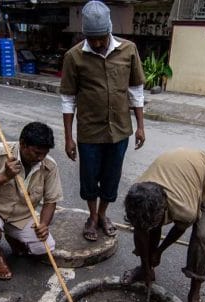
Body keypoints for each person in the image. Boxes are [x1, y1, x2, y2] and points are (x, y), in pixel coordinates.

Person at [60, 0, 146, 242]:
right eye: (92, 38)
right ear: (85, 34)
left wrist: (140, 126)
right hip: (89, 131)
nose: (97, 43)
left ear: (109, 29)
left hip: (120, 130)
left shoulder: (128, 50)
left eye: (101, 37)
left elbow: (136, 90)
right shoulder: (73, 57)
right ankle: (92, 216)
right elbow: (68, 99)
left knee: (111, 176)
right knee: (89, 177)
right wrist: (68, 137)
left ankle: (103, 214)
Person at [122, 148, 205, 302]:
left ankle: (194, 294)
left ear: (164, 207)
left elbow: (179, 228)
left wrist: (159, 251)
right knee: (146, 224)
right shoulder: (137, 193)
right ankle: (144, 270)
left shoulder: (184, 209)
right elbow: (141, 230)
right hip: (177, 171)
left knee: (201, 235)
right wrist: (146, 265)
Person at [0, 122, 63, 280]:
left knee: (44, 248)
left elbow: (51, 200)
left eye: (44, 153)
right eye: (37, 153)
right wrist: (4, 177)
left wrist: (44, 224)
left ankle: (12, 236)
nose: (41, 158)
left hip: (21, 216)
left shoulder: (49, 165)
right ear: (23, 144)